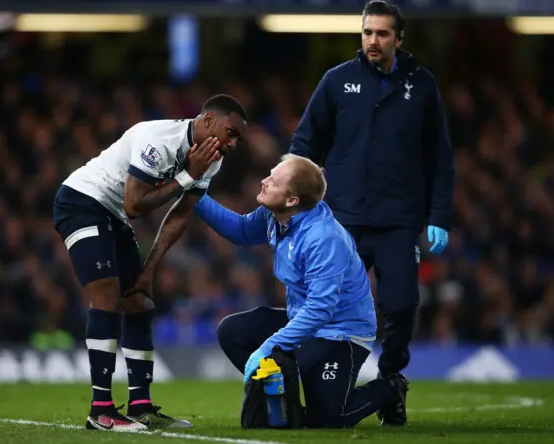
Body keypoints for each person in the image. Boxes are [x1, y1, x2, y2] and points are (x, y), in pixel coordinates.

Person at [289, 0, 454, 426]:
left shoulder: (422, 86)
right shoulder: (337, 81)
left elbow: (440, 157)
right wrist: (291, 197)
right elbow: (305, 145)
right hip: (341, 221)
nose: (373, 41)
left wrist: (438, 214)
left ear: (399, 39)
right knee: (323, 306)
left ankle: (391, 380)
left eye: (382, 34)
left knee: (400, 306)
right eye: (367, 33)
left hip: (399, 220)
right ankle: (321, 388)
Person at [53, 94, 248, 431]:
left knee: (139, 301)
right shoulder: (158, 140)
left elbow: (179, 217)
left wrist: (149, 271)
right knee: (107, 293)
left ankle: (141, 406)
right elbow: (134, 204)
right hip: (82, 201)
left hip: (112, 213)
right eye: (230, 132)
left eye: (238, 138)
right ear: (207, 121)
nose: (233, 144)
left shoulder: (210, 160)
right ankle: (101, 410)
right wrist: (187, 175)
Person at [195, 154, 408, 429]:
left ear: (292, 200)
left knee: (330, 420)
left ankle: (391, 388)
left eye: (273, 180)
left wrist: (268, 347)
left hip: (341, 332)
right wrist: (195, 197)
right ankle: (283, 401)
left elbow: (321, 309)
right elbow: (243, 231)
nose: (264, 181)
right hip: (305, 319)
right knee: (232, 331)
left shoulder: (323, 238)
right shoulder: (277, 214)